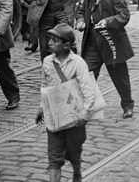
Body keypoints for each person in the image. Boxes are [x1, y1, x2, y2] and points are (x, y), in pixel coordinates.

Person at [78, 0, 135, 119]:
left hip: (112, 43)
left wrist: (108, 21)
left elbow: (124, 16)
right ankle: (87, 107)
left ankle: (127, 105)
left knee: (120, 77)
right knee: (86, 75)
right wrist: (81, 21)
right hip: (92, 43)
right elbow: (82, 12)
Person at [36, 24, 95, 182]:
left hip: (74, 117)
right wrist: (41, 107)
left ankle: (77, 171)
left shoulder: (78, 63)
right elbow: (45, 85)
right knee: (54, 157)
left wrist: (85, 114)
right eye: (50, 39)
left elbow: (88, 90)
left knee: (74, 152)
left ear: (66, 45)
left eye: (54, 40)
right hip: (54, 116)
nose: (49, 43)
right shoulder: (48, 61)